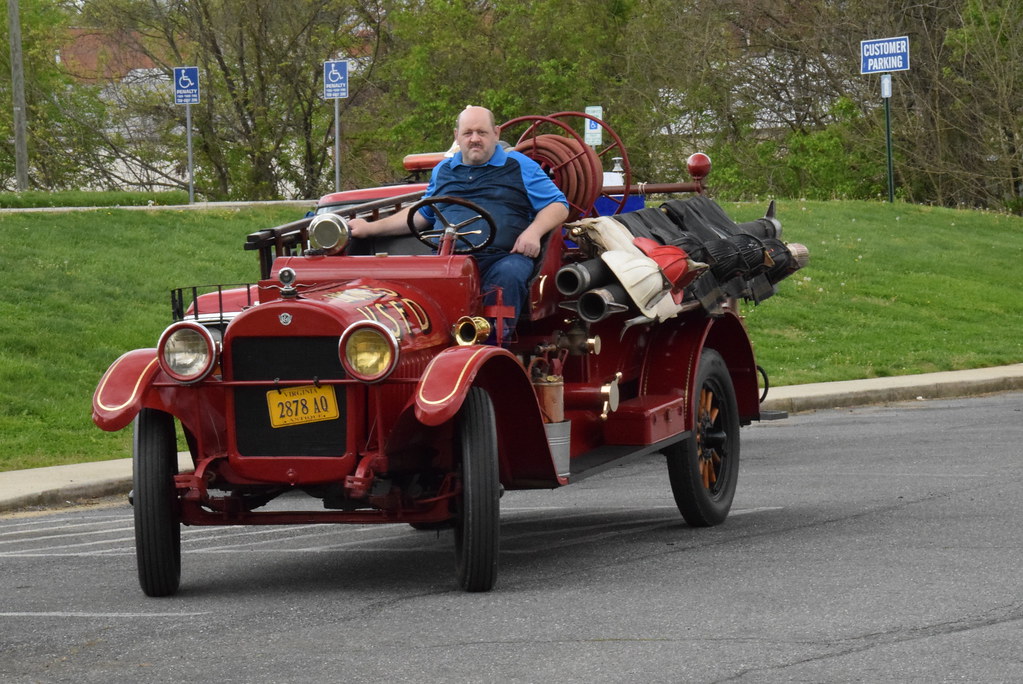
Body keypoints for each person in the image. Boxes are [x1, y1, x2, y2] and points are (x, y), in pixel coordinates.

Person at [348, 106, 570, 337]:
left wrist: (533, 232)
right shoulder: (443, 169)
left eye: (482, 132)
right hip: (447, 259)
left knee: (510, 274)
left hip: (501, 258)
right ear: (457, 136)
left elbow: (557, 205)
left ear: (496, 133)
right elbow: (423, 215)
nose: (475, 139)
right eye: (468, 133)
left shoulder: (519, 165)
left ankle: (493, 346)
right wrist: (369, 228)